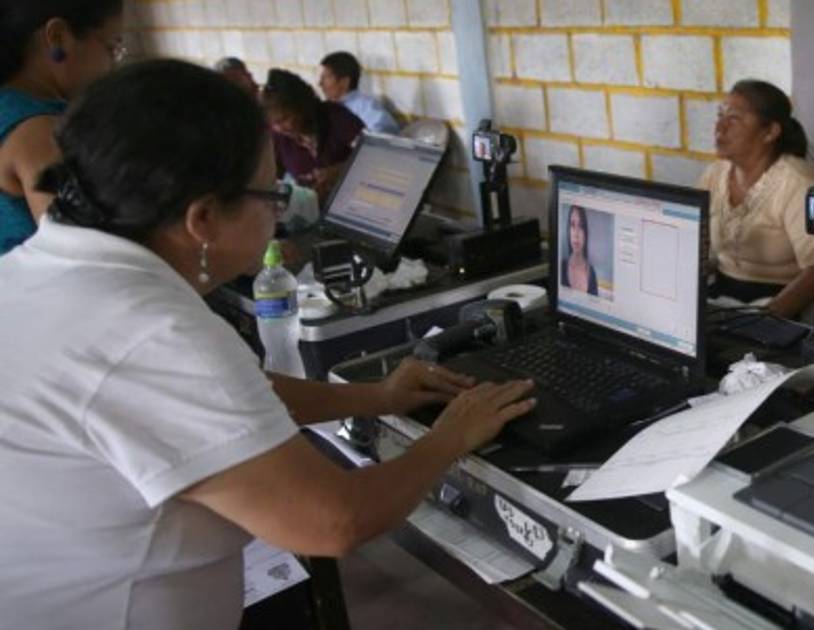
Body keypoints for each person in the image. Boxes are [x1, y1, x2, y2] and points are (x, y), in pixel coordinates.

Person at [0, 59, 535, 629]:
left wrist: (378, 396)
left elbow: (223, 399)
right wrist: (449, 438)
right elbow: (332, 521)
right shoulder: (150, 331)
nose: (278, 211)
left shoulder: (41, 271)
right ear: (203, 218)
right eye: (273, 194)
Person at [0, 0, 124, 255]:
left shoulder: (10, 106)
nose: (114, 66)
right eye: (112, 47)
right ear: (58, 37)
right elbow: (82, 254)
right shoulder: (40, 132)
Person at [699, 79, 814, 319]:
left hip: (782, 303)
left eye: (734, 119)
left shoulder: (799, 183)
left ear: (770, 132)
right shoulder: (714, 174)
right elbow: (698, 244)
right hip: (723, 297)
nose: (719, 128)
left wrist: (765, 318)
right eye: (720, 115)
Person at [261, 67, 363, 203]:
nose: (279, 128)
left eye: (284, 119)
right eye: (274, 123)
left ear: (302, 107)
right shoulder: (278, 138)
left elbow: (372, 157)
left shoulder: (337, 118)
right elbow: (269, 180)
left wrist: (340, 171)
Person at [318, 51, 402, 135]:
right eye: (321, 78)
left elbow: (385, 133)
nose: (320, 83)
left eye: (326, 78)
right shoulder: (325, 108)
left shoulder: (366, 106)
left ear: (345, 81)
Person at [560, 204, 598, 295]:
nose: (576, 234)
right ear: (568, 230)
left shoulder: (591, 272)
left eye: (580, 226)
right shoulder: (561, 267)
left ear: (585, 233)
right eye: (572, 225)